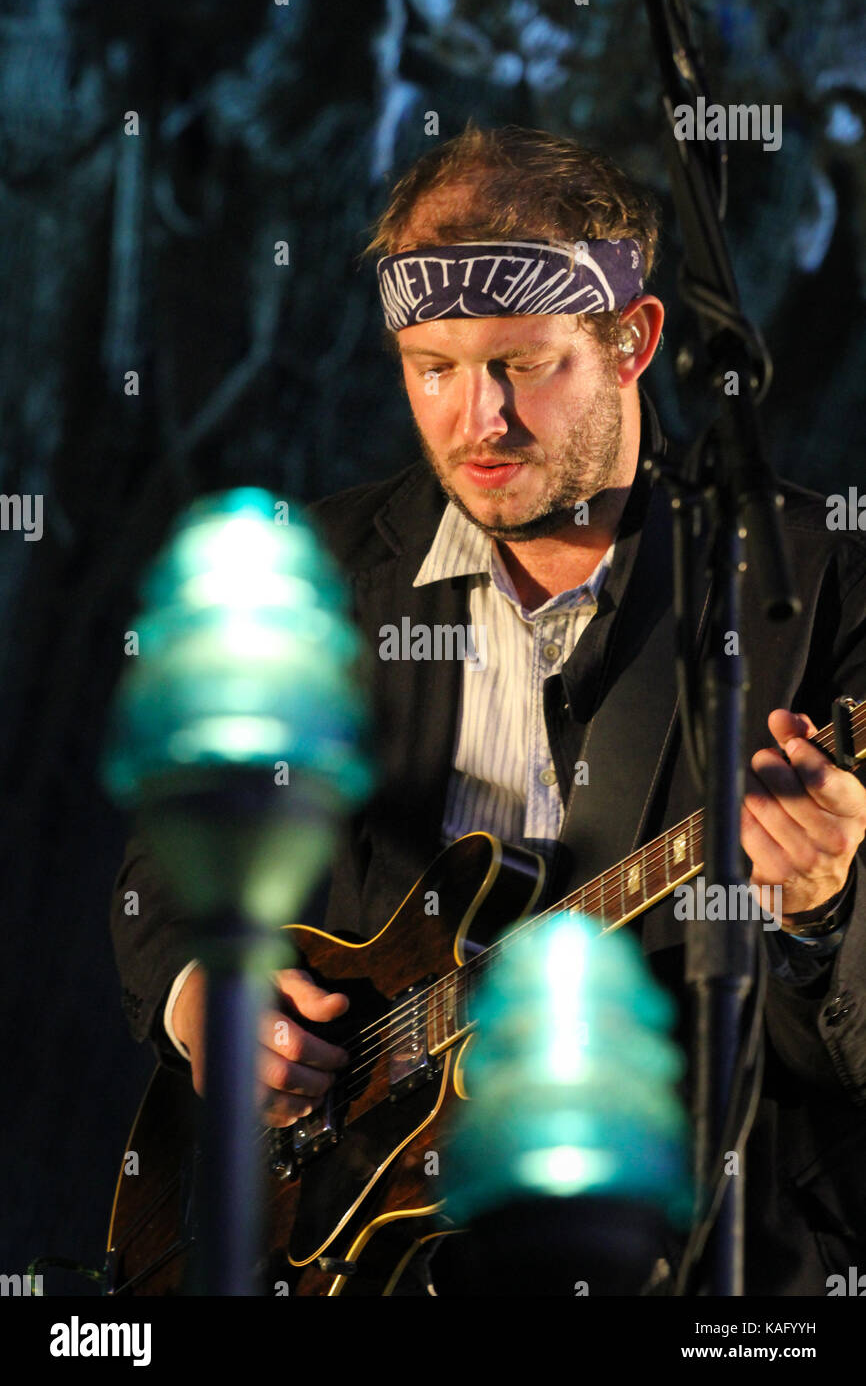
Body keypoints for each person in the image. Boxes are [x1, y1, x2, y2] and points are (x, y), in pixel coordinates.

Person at [111, 124, 866, 1296]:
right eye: (434, 369)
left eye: (522, 364)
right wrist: (198, 993)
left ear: (632, 341)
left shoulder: (805, 580)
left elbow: (839, 1049)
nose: (480, 422)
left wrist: (822, 912)